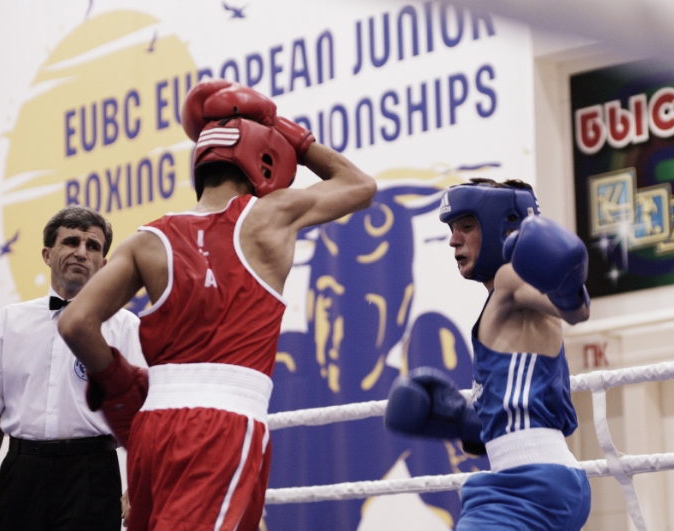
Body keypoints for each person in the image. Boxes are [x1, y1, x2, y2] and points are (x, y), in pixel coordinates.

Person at [58, 79, 376, 531]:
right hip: (222, 427)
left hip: (152, 429)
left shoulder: (148, 240)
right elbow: (360, 185)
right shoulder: (269, 216)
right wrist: (294, 136)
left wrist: (117, 379)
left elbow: (75, 322)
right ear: (264, 159)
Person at [384, 178, 591, 530]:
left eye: (466, 226)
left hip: (528, 483)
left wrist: (570, 288)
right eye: (452, 229)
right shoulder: (502, 301)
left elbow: (575, 311)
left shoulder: (511, 278)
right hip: (538, 478)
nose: (453, 239)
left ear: (503, 228)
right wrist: (465, 422)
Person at [0, 205, 145, 531]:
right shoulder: (8, 322)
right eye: (71, 242)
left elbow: (143, 419)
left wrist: (136, 486)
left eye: (92, 246)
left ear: (104, 264)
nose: (81, 252)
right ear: (47, 254)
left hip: (93, 474)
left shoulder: (125, 328)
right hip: (23, 473)